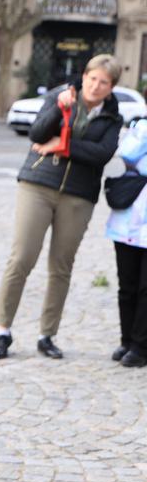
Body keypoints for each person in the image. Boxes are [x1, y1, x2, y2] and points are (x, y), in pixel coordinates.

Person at [0, 54, 124, 359]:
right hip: (38, 184)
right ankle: (2, 331)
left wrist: (61, 146)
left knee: (61, 266)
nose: (95, 86)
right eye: (92, 78)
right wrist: (60, 109)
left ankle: (47, 334)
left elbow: (101, 154)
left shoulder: (113, 118)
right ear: (85, 76)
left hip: (78, 195)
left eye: (103, 82)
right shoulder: (59, 95)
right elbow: (37, 135)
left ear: (111, 86)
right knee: (21, 258)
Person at [105, 118, 147, 368]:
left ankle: (141, 346)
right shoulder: (140, 125)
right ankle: (127, 340)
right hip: (128, 218)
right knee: (127, 284)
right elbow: (128, 153)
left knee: (146, 288)